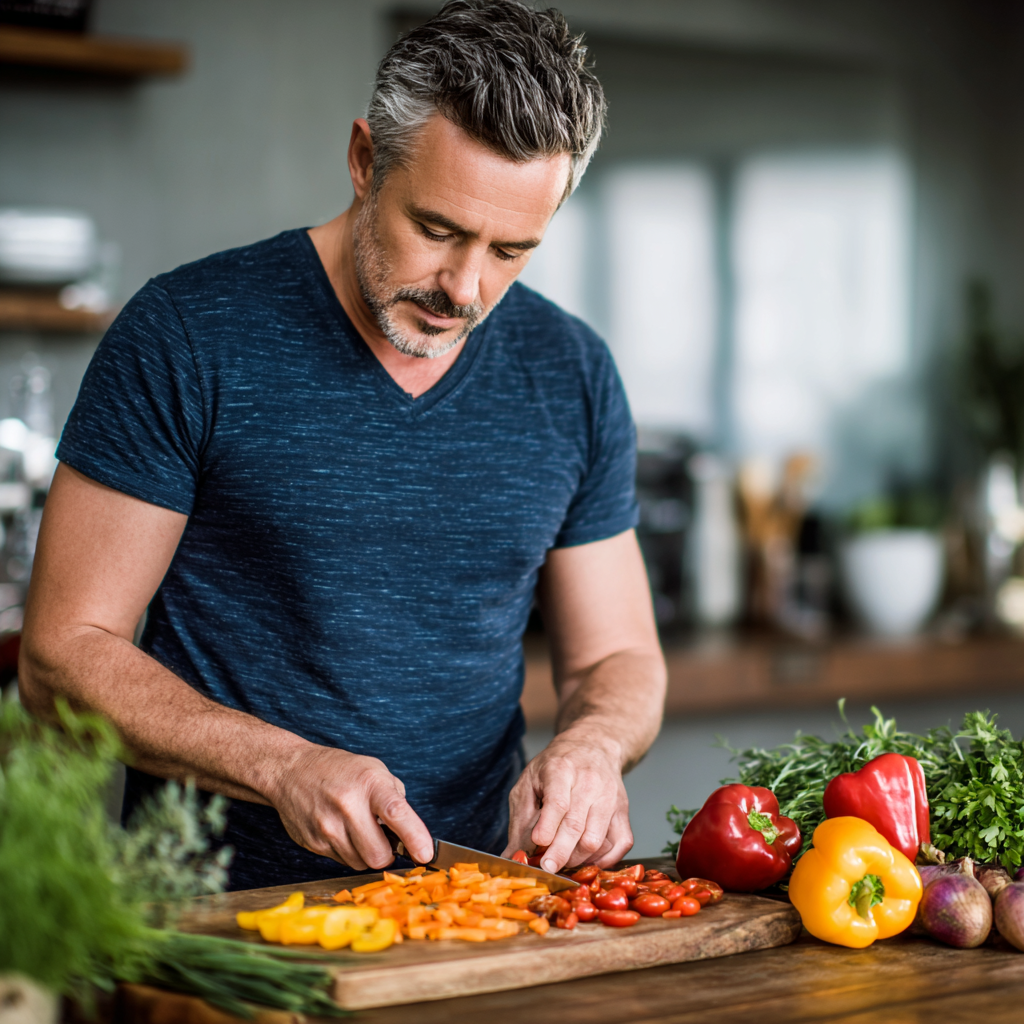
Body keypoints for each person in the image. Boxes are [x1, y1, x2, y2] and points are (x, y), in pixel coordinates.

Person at [18, 0, 666, 890]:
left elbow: (617, 657)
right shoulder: (187, 335)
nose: (464, 287)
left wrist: (592, 746)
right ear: (366, 161)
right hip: (218, 928)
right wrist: (282, 766)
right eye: (437, 230)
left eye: (511, 249)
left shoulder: (573, 371)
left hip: (472, 915)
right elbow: (60, 657)